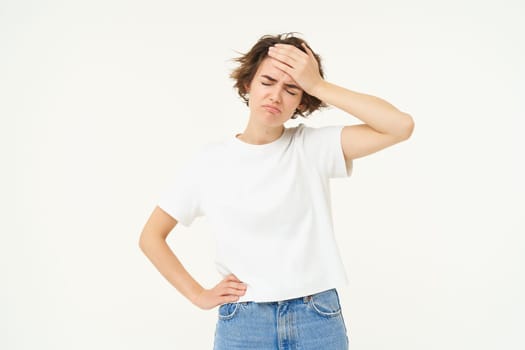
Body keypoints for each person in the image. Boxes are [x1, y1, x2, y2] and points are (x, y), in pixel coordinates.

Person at [139, 33, 414, 349]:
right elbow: (151, 237)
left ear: (302, 100)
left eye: (292, 88)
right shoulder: (209, 162)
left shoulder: (311, 147)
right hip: (244, 323)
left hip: (316, 316)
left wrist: (319, 85)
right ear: (248, 84)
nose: (275, 96)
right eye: (267, 82)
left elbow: (399, 126)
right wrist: (199, 295)